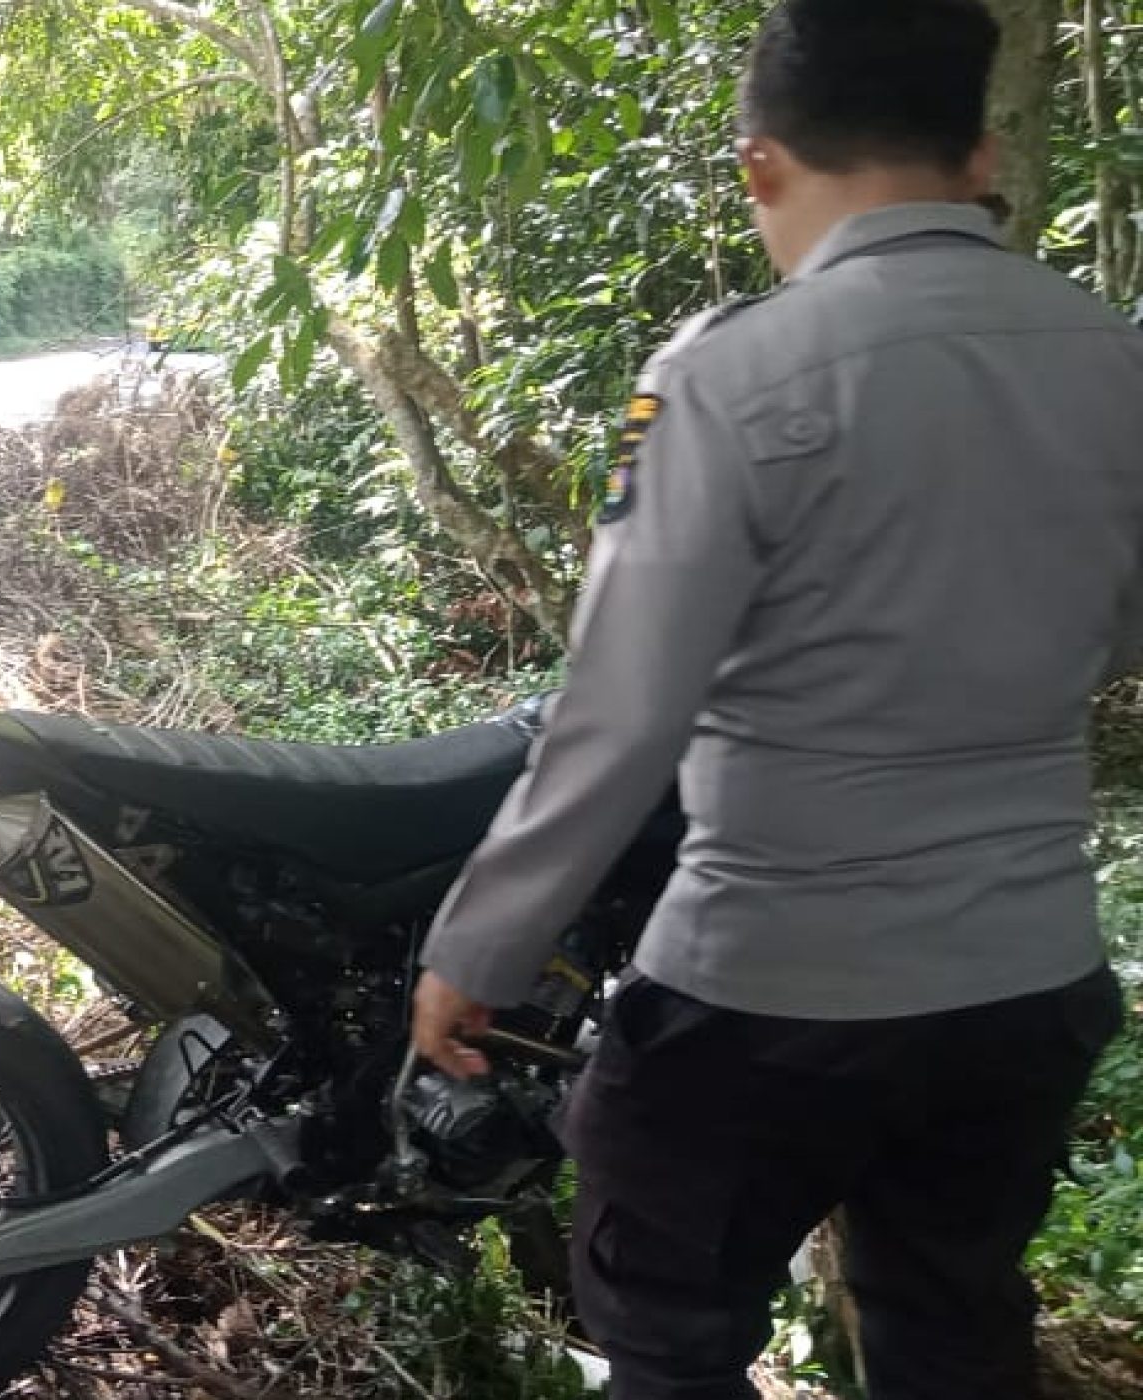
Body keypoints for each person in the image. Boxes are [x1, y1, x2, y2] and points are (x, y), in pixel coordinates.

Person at [407, 1, 1143, 1396]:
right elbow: (1118, 633)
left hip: (766, 986)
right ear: (983, 157)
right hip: (1024, 984)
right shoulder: (1114, 358)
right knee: (952, 1329)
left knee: (668, 1333)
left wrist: (481, 947)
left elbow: (620, 713)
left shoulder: (726, 375)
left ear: (759, 164)